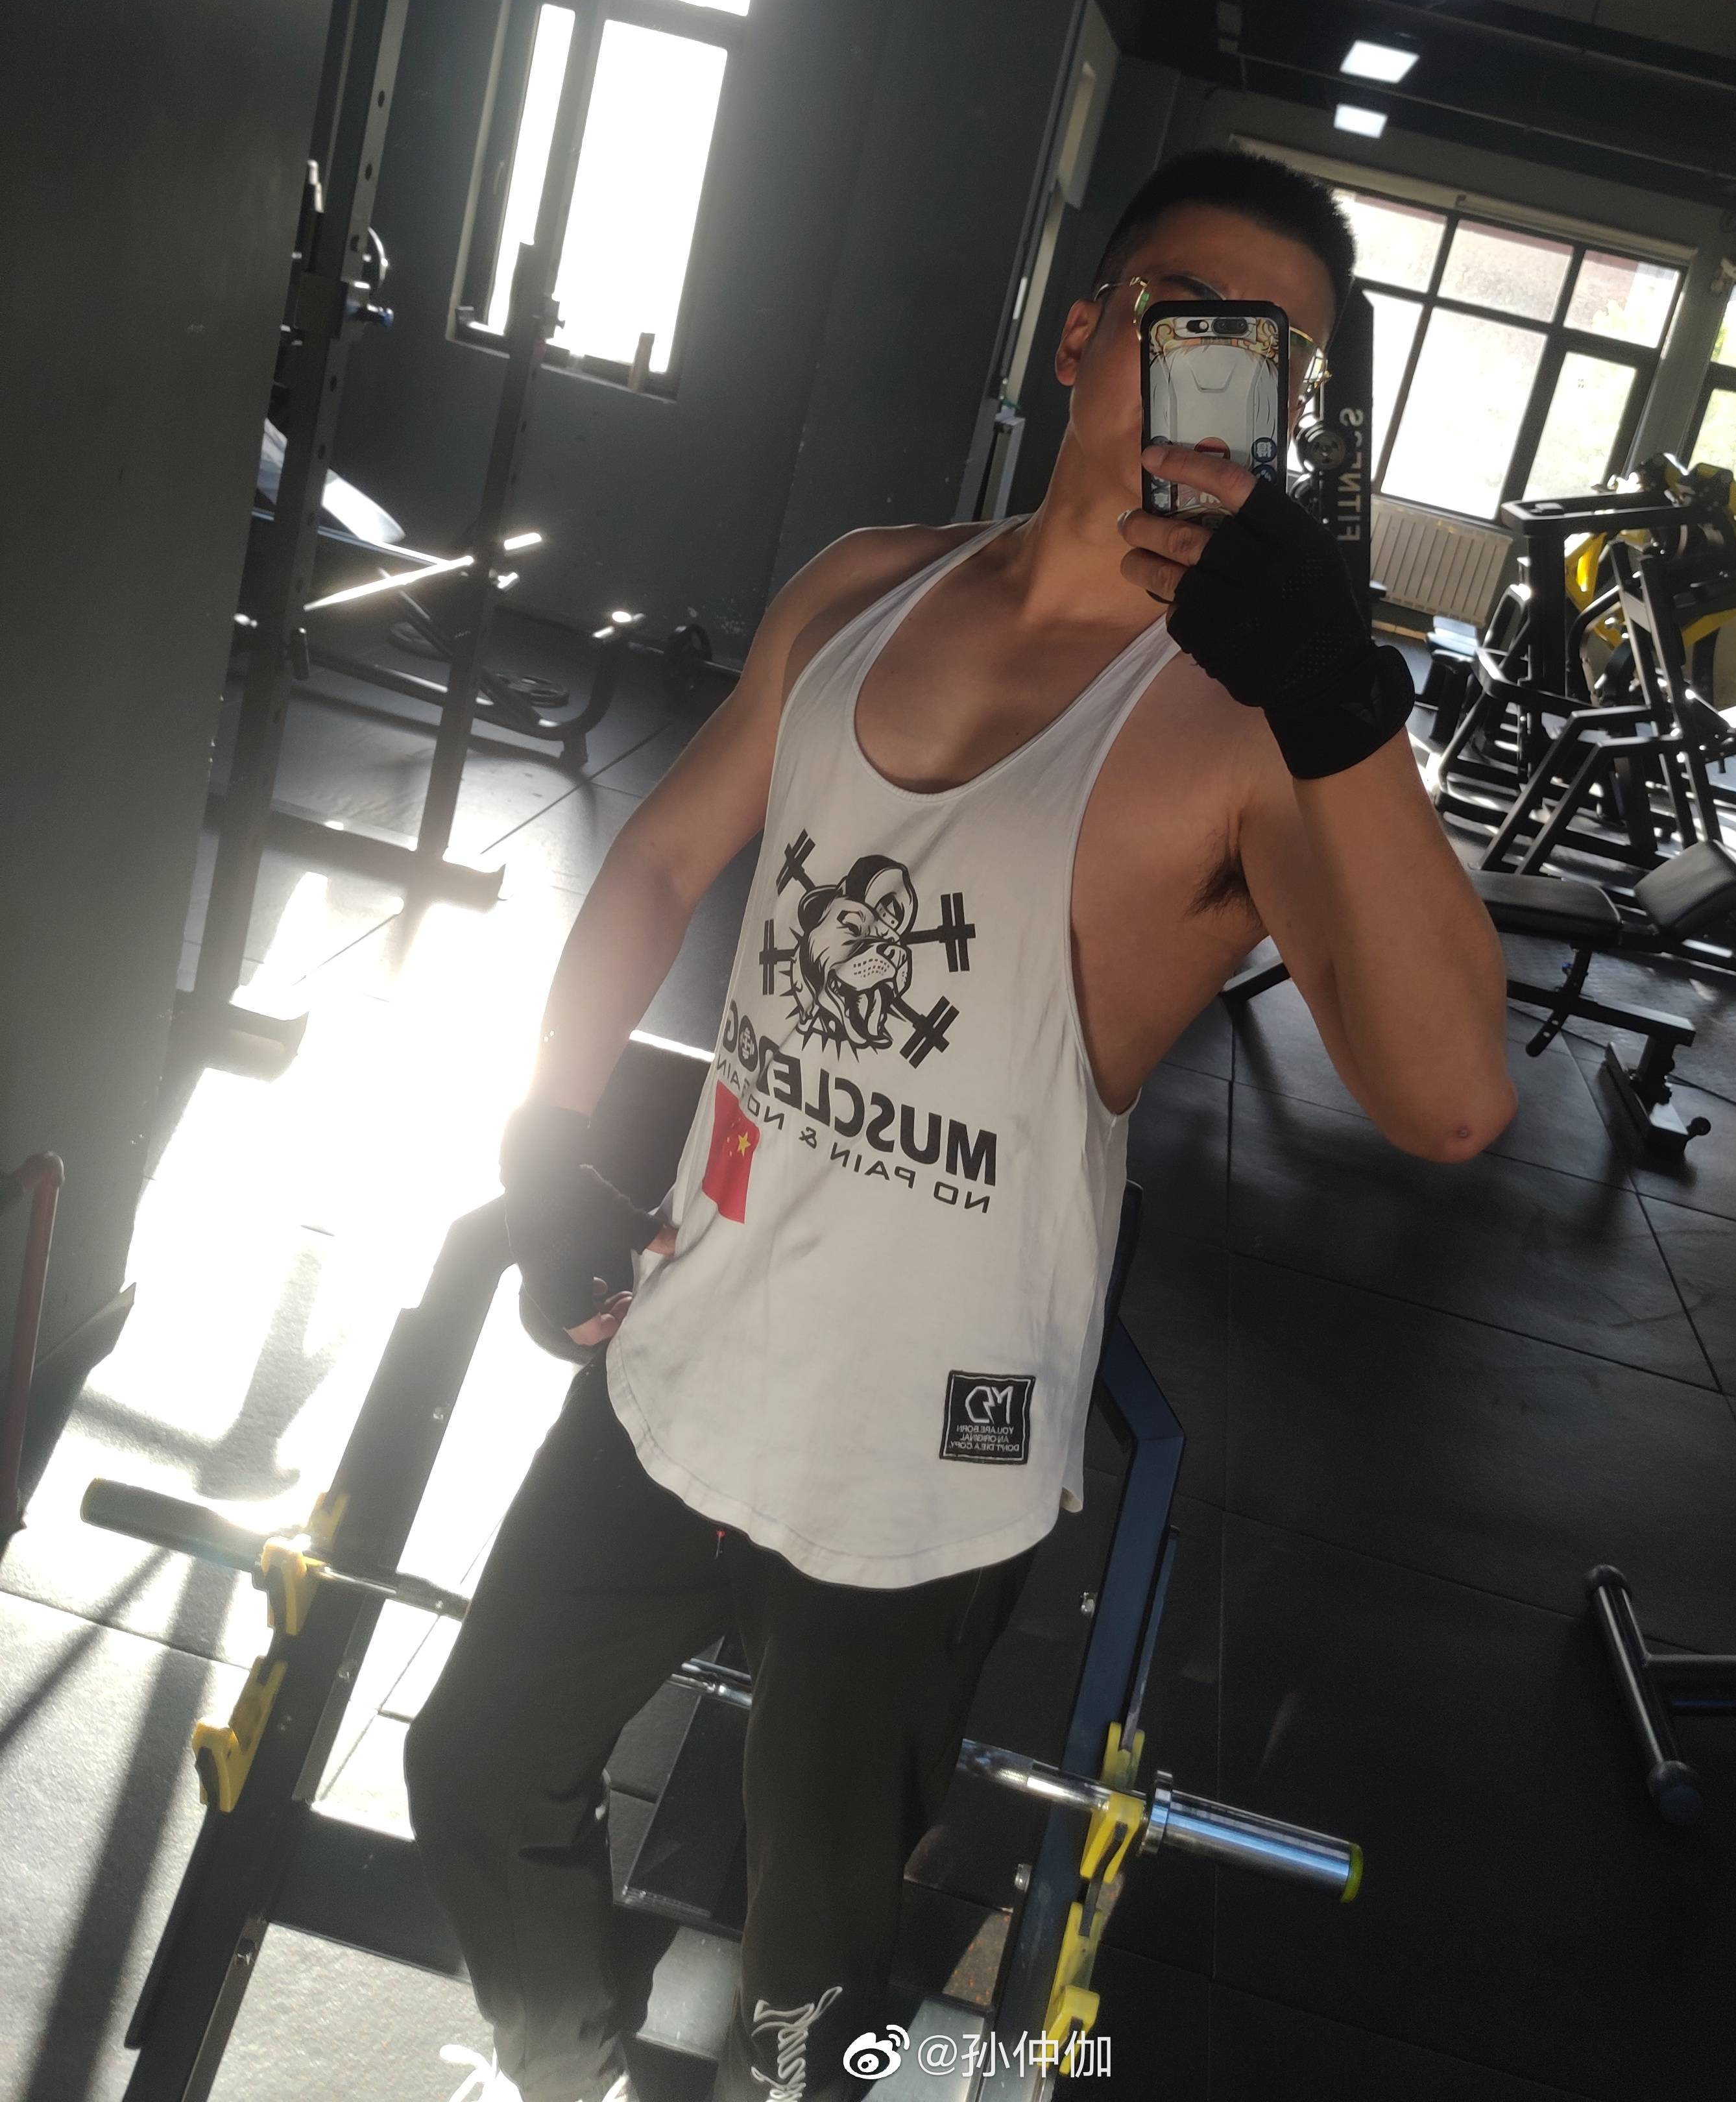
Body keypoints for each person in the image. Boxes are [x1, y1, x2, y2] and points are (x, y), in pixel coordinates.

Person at [404, 148, 1515, 2102]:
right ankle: (562, 2062)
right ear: (1083, 335)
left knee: (812, 1983)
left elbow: (1449, 1103)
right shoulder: (865, 583)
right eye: (1184, 317)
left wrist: (1345, 705)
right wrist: (543, 1133)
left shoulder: (1254, 732)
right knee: (474, 1767)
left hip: (929, 1456)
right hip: (685, 1347)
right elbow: (658, 861)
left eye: (1275, 358)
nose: (1220, 376)